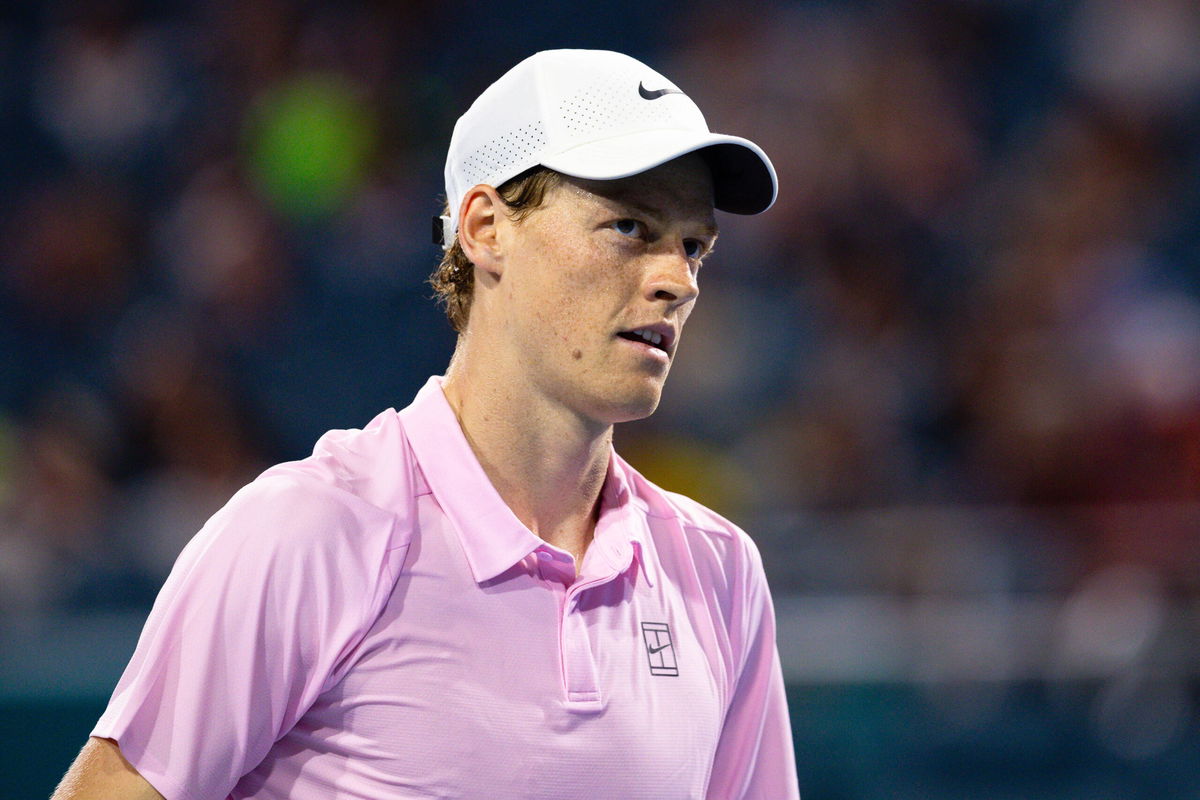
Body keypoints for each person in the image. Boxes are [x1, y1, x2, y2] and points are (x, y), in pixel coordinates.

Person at [51, 49, 799, 799]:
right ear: (486, 227)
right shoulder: (312, 531)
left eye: (694, 246)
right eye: (629, 227)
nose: (677, 280)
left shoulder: (721, 573)